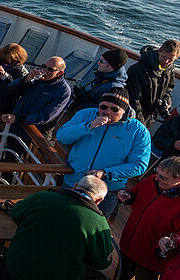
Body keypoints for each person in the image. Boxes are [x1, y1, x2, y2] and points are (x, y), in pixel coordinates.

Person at [55, 87, 152, 218]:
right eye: (103, 107)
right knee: (60, 217)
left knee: (91, 227)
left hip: (106, 191)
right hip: (74, 182)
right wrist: (88, 126)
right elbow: (62, 136)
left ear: (124, 111)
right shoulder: (85, 115)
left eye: (114, 109)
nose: (107, 112)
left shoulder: (138, 131)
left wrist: (106, 173)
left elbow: (139, 165)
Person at [1, 55, 73, 136]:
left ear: (59, 73)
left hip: (34, 131)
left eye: (50, 69)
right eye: (44, 66)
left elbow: (46, 116)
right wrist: (27, 79)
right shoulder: (35, 78)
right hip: (15, 123)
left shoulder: (63, 90)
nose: (44, 71)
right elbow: (10, 90)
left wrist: (18, 118)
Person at [127, 39, 180, 128]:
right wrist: (140, 122)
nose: (166, 61)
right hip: (134, 114)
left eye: (170, 59)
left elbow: (168, 89)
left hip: (151, 115)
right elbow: (133, 98)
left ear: (177, 57)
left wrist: (167, 102)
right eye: (164, 57)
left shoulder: (169, 69)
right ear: (159, 51)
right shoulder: (138, 70)